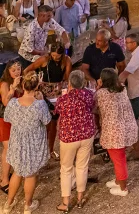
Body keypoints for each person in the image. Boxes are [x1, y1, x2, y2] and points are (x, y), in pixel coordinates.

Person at [3, 71, 50, 213]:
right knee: (30, 174)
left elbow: (7, 118)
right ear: (37, 87)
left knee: (17, 172)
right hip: (33, 144)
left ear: (23, 85)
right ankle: (27, 205)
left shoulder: (12, 104)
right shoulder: (39, 105)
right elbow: (47, 121)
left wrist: (11, 91)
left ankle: (8, 204)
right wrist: (41, 99)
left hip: (18, 143)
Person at [54, 70, 96, 211]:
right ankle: (80, 198)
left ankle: (65, 203)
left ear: (70, 83)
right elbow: (92, 106)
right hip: (86, 134)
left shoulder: (63, 100)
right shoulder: (89, 95)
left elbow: (57, 111)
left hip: (68, 137)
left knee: (66, 169)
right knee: (82, 166)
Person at [95, 68, 139, 197]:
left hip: (114, 131)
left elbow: (94, 106)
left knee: (119, 159)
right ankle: (118, 180)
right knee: (117, 157)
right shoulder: (123, 89)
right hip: (126, 128)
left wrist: (98, 87)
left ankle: (123, 188)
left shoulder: (101, 94)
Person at [0, 61, 22, 194]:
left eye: (19, 69)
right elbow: (6, 102)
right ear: (8, 71)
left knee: (14, 147)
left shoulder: (20, 81)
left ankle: (12, 173)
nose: (17, 72)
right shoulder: (5, 84)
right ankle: (4, 180)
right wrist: (13, 88)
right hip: (5, 120)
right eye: (13, 70)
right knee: (8, 149)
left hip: (16, 120)